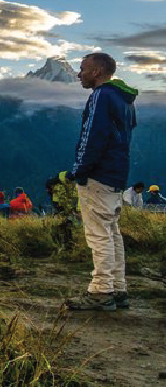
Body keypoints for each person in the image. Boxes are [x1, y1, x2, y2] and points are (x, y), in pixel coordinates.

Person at [65, 52, 138, 312]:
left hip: (98, 174)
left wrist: (79, 171)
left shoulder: (101, 96)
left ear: (96, 72)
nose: (79, 73)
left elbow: (93, 136)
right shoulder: (125, 100)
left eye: (83, 68)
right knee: (111, 232)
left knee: (98, 235)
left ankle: (100, 291)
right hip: (117, 174)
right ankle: (118, 288)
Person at [47, 171, 80, 250]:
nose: (71, 183)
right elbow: (63, 200)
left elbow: (76, 197)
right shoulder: (57, 183)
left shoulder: (70, 185)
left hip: (64, 208)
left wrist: (75, 209)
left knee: (66, 226)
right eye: (70, 181)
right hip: (59, 208)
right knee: (61, 226)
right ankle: (63, 245)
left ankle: (67, 245)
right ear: (66, 179)